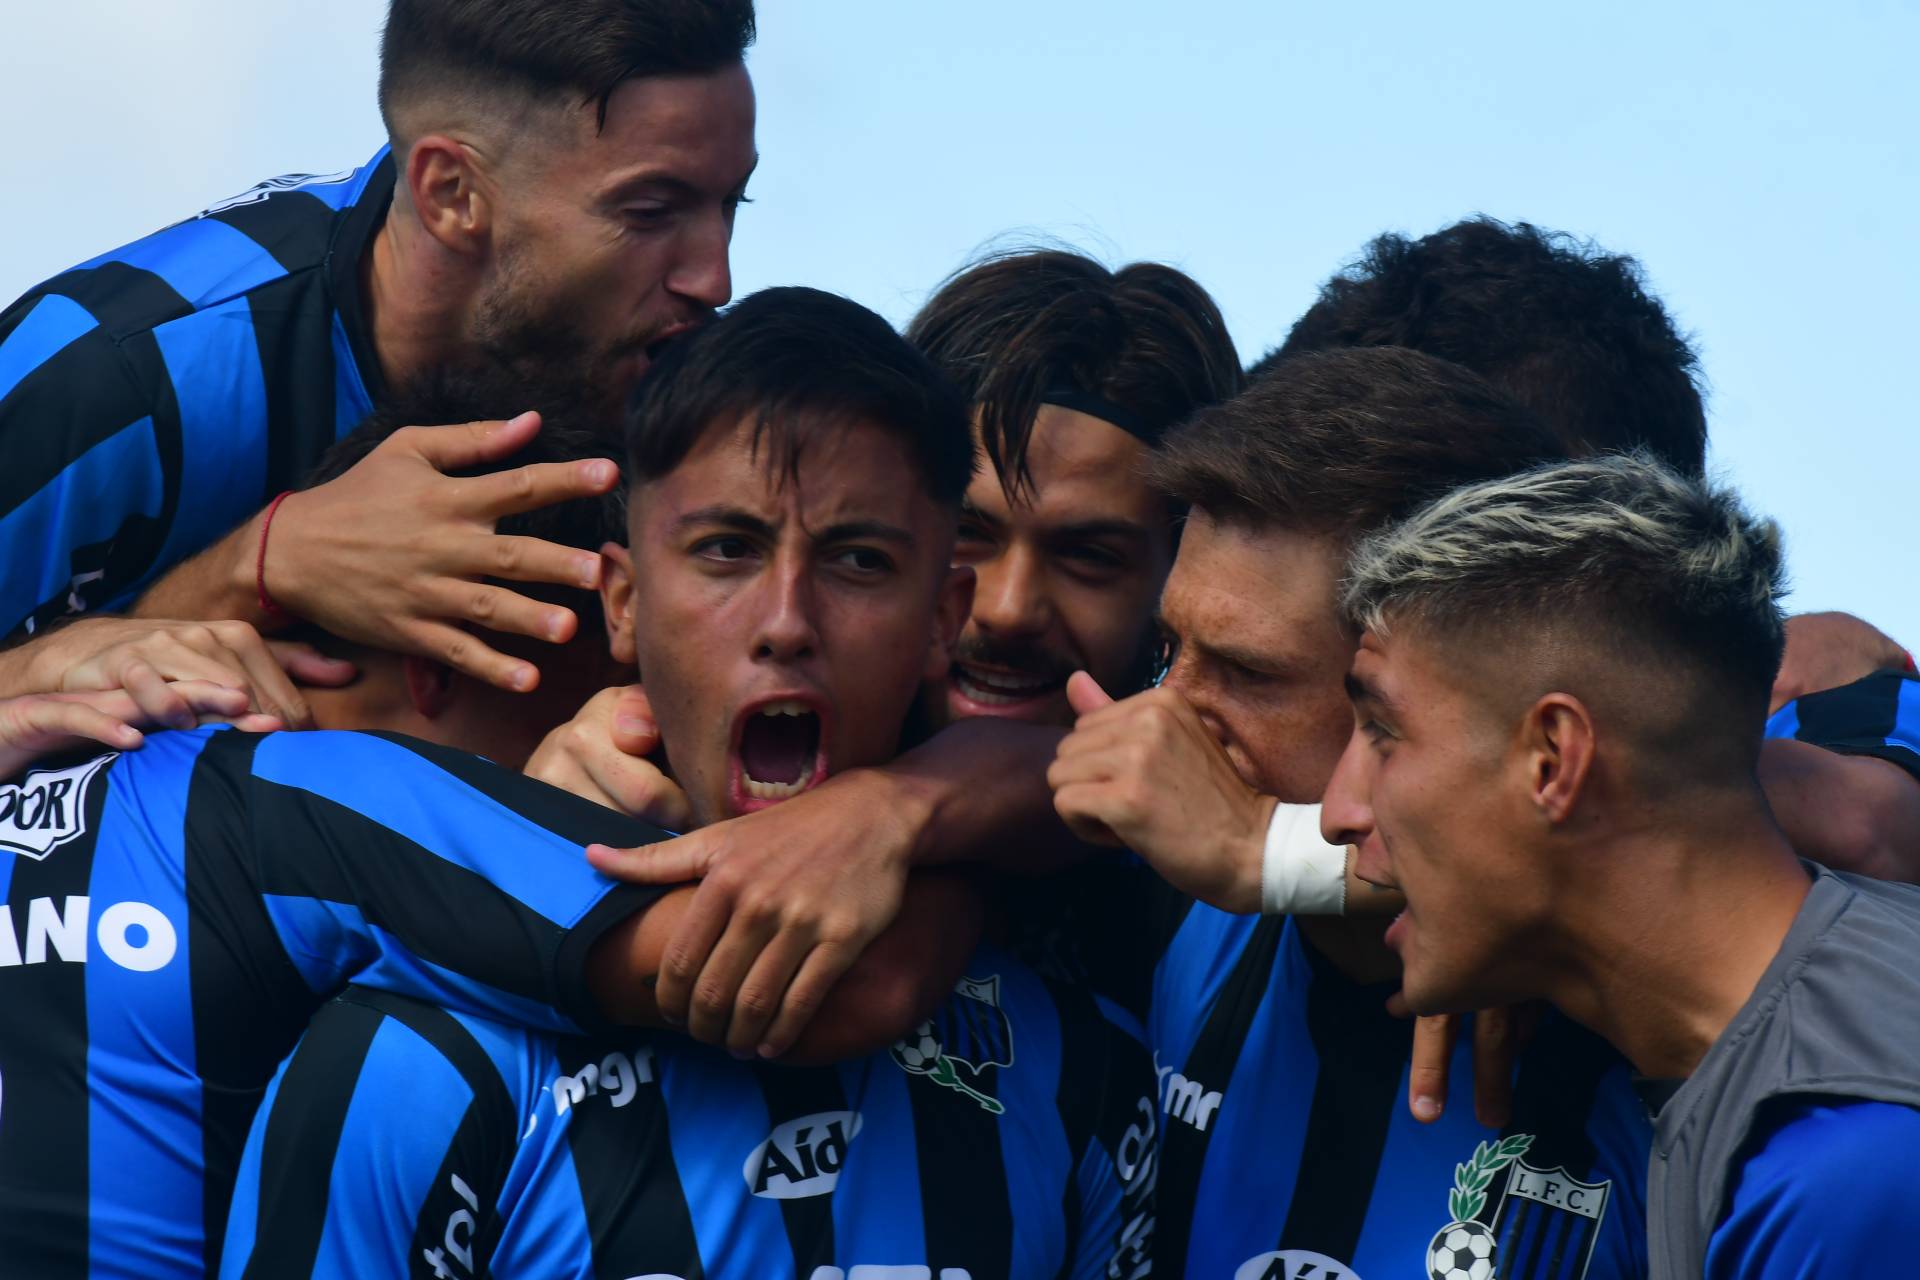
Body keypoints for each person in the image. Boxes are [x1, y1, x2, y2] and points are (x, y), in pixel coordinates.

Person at [219, 287, 1157, 1280]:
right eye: (728, 550)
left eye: (859, 559)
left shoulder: (1081, 1073)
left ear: (939, 615)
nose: (787, 619)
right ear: (624, 603)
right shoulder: (410, 1058)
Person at [0, 0, 756, 696]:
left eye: (731, 202)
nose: (715, 279)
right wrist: (252, 570)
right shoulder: (116, 380)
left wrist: (878, 801)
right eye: (652, 211)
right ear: (451, 193)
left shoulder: (677, 366)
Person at [1321, 453, 1920, 1280]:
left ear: (1553, 760)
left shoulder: (1842, 1167)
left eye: (1383, 733)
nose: (1337, 814)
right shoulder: (1781, 1069)